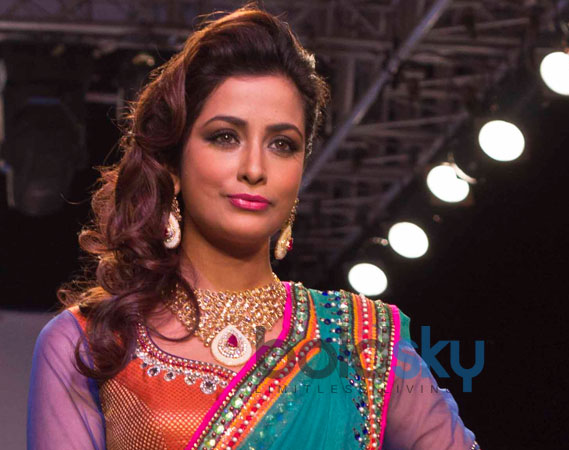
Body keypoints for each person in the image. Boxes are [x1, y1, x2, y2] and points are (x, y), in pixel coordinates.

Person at [27, 3, 480, 449]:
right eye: (225, 137)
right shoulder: (91, 342)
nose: (255, 169)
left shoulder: (360, 338)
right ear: (173, 164)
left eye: (282, 144)